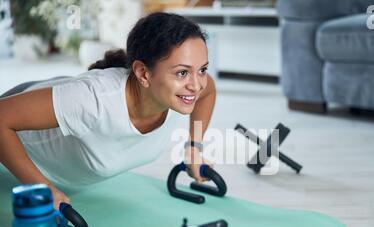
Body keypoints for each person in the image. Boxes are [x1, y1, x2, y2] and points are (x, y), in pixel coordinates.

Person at [0, 12, 216, 210]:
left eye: (202, 70)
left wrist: (194, 149)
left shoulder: (185, 91)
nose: (196, 85)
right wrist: (42, 189)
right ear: (143, 73)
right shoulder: (94, 100)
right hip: (19, 113)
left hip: (62, 96)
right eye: (182, 73)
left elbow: (208, 93)